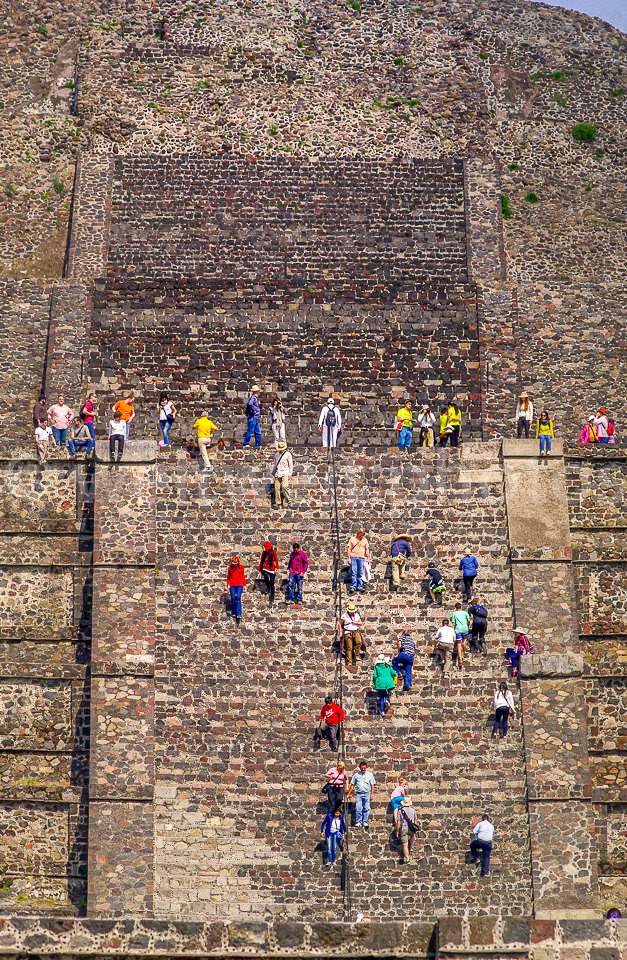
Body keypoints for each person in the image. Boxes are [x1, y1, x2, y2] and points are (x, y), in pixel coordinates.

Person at [346, 760, 376, 829]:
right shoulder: (356, 775)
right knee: (358, 808)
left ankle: (365, 821)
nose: (363, 769)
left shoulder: (370, 775)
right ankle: (358, 821)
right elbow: (352, 785)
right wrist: (348, 794)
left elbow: (372, 785)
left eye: (364, 768)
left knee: (366, 808)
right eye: (362, 768)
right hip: (359, 794)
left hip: (367, 793)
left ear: (366, 767)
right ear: (360, 767)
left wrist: (372, 794)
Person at [339, 602, 363, 669]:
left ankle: (357, 656)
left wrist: (356, 622)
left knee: (359, 642)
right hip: (348, 632)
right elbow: (340, 624)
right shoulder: (344, 616)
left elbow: (360, 622)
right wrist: (340, 632)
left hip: (355, 631)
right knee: (349, 647)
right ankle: (349, 662)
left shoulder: (356, 615)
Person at [347, 529, 371, 593]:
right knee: (354, 572)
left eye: (363, 534)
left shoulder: (365, 540)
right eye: (361, 534)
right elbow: (349, 549)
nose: (362, 536)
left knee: (361, 573)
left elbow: (367, 549)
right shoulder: (352, 539)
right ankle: (353, 586)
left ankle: (360, 586)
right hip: (353, 557)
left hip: (361, 558)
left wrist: (368, 558)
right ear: (358, 533)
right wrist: (349, 558)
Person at [396, 797, 417, 864]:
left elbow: (399, 822)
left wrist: (397, 831)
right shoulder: (413, 810)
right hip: (411, 828)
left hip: (404, 828)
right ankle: (411, 846)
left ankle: (407, 859)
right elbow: (415, 821)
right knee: (412, 836)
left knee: (405, 845)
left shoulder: (400, 811)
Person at [272, 441, 293, 507]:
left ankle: (288, 500)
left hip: (285, 472)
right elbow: (275, 464)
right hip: (278, 473)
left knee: (285, 486)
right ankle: (278, 501)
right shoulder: (276, 455)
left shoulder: (288, 454)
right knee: (276, 488)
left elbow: (290, 465)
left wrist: (290, 474)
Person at [226, 555, 246, 625]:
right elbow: (228, 576)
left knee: (238, 597)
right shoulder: (230, 567)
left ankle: (238, 613)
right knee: (233, 598)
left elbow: (243, 576)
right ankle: (234, 612)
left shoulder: (241, 567)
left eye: (235, 563)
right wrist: (228, 584)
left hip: (239, 584)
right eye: (233, 563)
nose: (234, 564)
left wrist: (244, 584)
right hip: (232, 585)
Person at [258, 540, 278, 605]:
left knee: (272, 584)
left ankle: (272, 597)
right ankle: (268, 585)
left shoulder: (273, 552)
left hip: (272, 568)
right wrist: (259, 569)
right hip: (265, 568)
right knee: (266, 577)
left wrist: (276, 568)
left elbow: (276, 560)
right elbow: (261, 561)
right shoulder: (264, 553)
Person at [451, 602, 469, 669]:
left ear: (455, 608)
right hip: (465, 629)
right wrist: (467, 625)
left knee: (458, 645)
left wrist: (454, 629)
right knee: (465, 638)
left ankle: (460, 661)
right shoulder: (465, 613)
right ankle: (464, 643)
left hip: (458, 630)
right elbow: (468, 620)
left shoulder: (454, 614)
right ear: (461, 607)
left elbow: (454, 623)